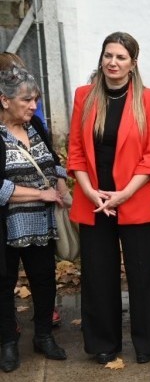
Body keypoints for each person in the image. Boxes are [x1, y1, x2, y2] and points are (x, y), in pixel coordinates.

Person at [67, 33, 150, 364]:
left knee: (143, 274)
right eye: (108, 55)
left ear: (132, 64)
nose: (113, 62)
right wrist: (88, 190)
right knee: (98, 276)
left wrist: (124, 194)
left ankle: (147, 343)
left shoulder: (149, 99)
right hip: (94, 199)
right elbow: (75, 150)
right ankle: (103, 343)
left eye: (121, 57)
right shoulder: (84, 96)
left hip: (135, 197)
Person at [0, 67, 68, 373]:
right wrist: (41, 194)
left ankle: (43, 336)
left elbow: (54, 161)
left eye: (35, 99)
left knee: (44, 279)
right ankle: (7, 343)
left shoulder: (36, 125)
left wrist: (63, 188)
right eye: (26, 100)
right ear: (4, 100)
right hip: (6, 224)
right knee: (4, 284)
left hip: (40, 222)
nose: (34, 106)